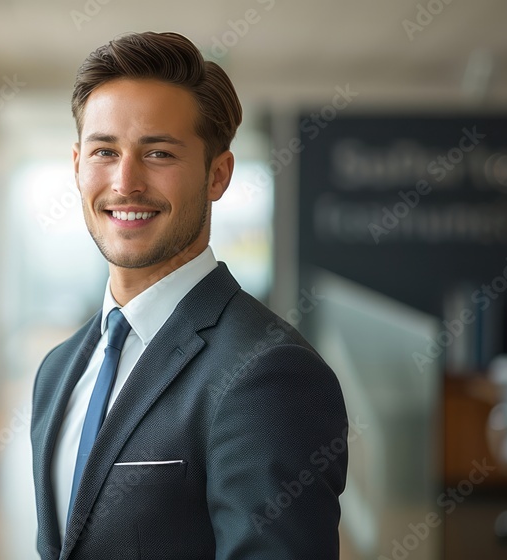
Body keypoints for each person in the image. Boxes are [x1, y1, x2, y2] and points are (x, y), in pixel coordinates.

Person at [30, 31, 349, 559]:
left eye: (158, 153)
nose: (125, 182)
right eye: (105, 151)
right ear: (78, 165)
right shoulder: (58, 369)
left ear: (217, 175)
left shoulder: (269, 373)